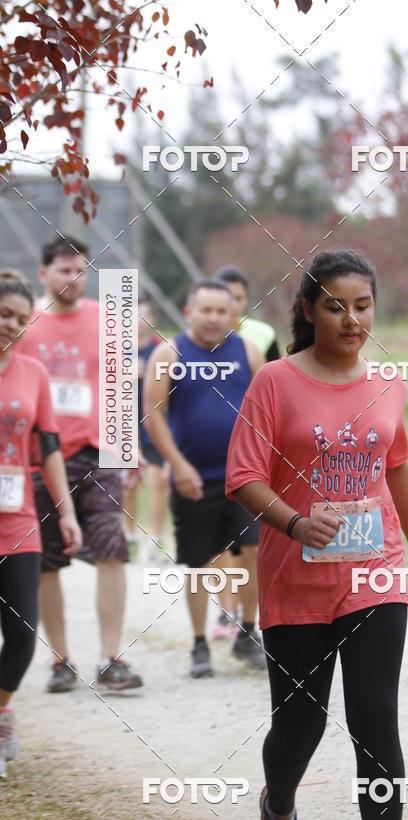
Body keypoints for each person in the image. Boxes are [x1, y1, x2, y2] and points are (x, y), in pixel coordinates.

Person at [225, 249, 408, 820]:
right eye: (336, 307)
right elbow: (244, 477)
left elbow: (395, 466)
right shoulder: (274, 382)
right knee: (300, 724)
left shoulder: (388, 383)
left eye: (363, 306)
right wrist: (296, 522)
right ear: (308, 311)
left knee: (375, 720)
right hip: (295, 577)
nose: (352, 320)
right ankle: (280, 802)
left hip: (376, 569)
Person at [17, 236, 143, 692]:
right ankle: (60, 660)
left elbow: (122, 386)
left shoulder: (108, 319)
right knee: (47, 562)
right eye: (65, 270)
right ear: (43, 273)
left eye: (82, 270)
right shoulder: (23, 322)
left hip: (100, 451)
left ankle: (112, 658)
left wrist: (130, 447)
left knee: (112, 549)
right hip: (41, 454)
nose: (75, 278)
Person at [144, 279, 266, 676]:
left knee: (252, 552)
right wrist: (177, 464)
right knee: (198, 564)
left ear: (233, 313)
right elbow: (153, 414)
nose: (214, 318)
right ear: (188, 312)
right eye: (205, 310)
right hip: (193, 479)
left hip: (245, 478)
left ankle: (248, 633)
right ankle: (199, 644)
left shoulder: (248, 351)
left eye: (222, 310)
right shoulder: (169, 353)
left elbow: (269, 411)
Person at [0, 270, 82, 776]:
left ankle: (2, 708)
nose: (7, 322)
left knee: (24, 635)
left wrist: (66, 510)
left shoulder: (33, 373)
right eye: (0, 312)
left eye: (15, 315)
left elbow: (47, 446)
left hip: (18, 520)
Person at [212, 265, 281, 638]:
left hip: (251, 458)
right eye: (225, 299)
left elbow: (275, 388)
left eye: (238, 299)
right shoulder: (198, 341)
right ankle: (227, 610)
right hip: (209, 462)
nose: (232, 306)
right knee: (223, 546)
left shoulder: (262, 336)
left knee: (251, 543)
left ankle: (250, 620)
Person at [123, 296, 170, 565]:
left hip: (154, 426)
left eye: (144, 315)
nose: (138, 321)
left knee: (158, 484)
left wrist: (150, 373)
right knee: (126, 485)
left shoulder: (161, 350)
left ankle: (155, 540)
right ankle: (128, 538)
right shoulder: (115, 352)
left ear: (151, 320)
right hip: (124, 427)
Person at [215, 265, 280, 361]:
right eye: (228, 297)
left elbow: (275, 374)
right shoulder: (201, 339)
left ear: (245, 300)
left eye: (238, 298)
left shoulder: (265, 334)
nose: (234, 305)